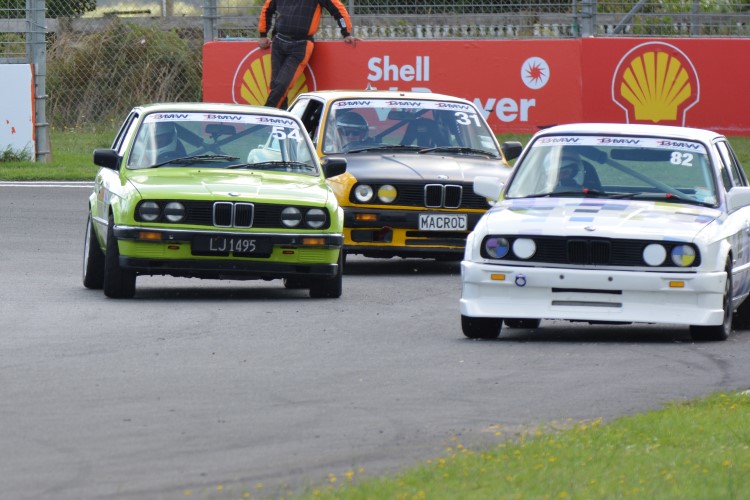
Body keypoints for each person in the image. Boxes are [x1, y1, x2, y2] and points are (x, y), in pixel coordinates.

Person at [258, 0, 359, 109]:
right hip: (278, 42)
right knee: (276, 86)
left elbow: (338, 9)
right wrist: (263, 34)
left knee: (282, 85)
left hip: (301, 45)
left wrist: (346, 33)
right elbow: (267, 9)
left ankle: (266, 114)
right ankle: (280, 117)